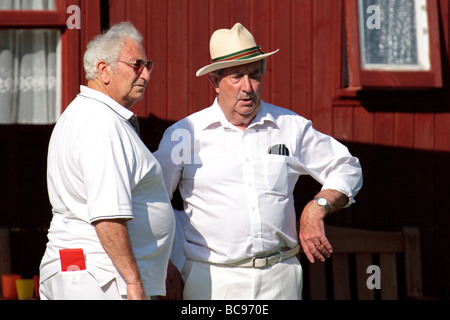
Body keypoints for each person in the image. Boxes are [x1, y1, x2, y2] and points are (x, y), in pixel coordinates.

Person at [154, 23, 363, 300]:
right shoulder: (185, 134)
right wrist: (160, 265)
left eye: (254, 75)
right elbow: (153, 201)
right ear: (215, 82)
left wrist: (317, 206)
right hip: (213, 280)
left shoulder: (290, 126)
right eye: (236, 77)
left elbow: (347, 167)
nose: (247, 87)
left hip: (281, 276)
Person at [39, 22, 175, 300]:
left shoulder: (83, 114)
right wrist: (133, 282)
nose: (146, 74)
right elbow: (107, 214)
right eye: (137, 65)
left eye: (148, 65)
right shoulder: (102, 124)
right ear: (104, 70)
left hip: (86, 274)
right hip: (101, 280)